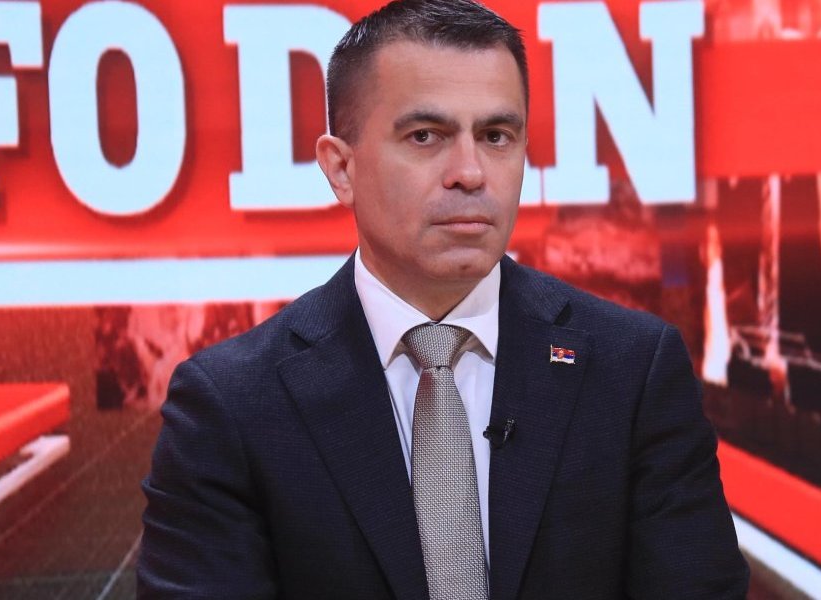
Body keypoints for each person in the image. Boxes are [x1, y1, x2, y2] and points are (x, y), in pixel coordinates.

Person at [138, 1, 749, 598]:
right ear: (341, 168)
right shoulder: (230, 406)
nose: (470, 172)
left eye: (496, 135)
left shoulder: (634, 372)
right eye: (426, 135)